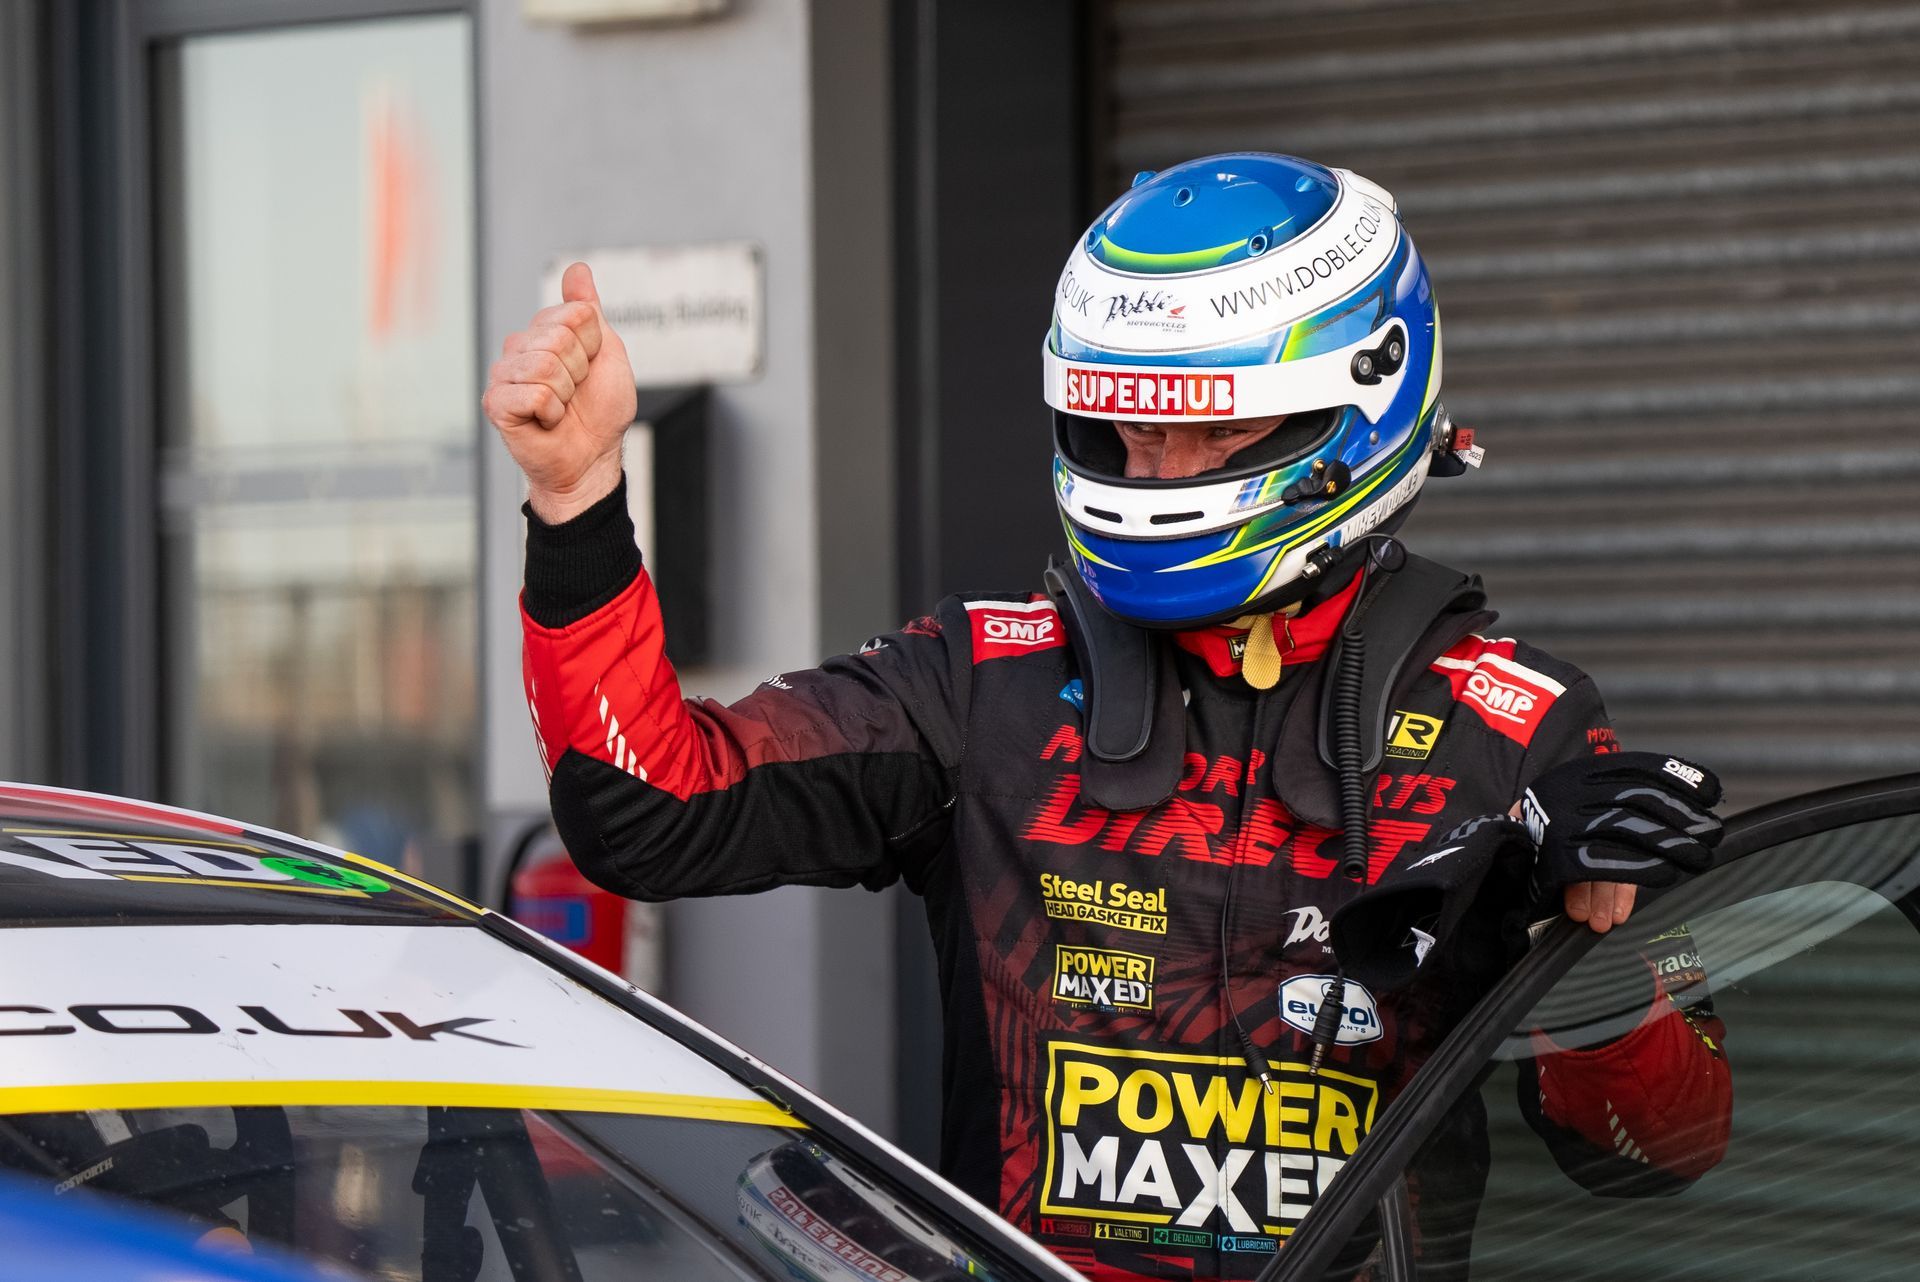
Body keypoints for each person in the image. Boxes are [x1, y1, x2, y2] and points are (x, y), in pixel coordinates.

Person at [486, 153, 1730, 1281]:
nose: (1156, 472)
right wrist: (578, 500)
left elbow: (1662, 1150)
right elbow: (649, 811)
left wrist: (1599, 949)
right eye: (1129, 432)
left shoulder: (1514, 730)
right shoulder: (983, 681)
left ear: (1362, 398)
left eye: (1213, 430)